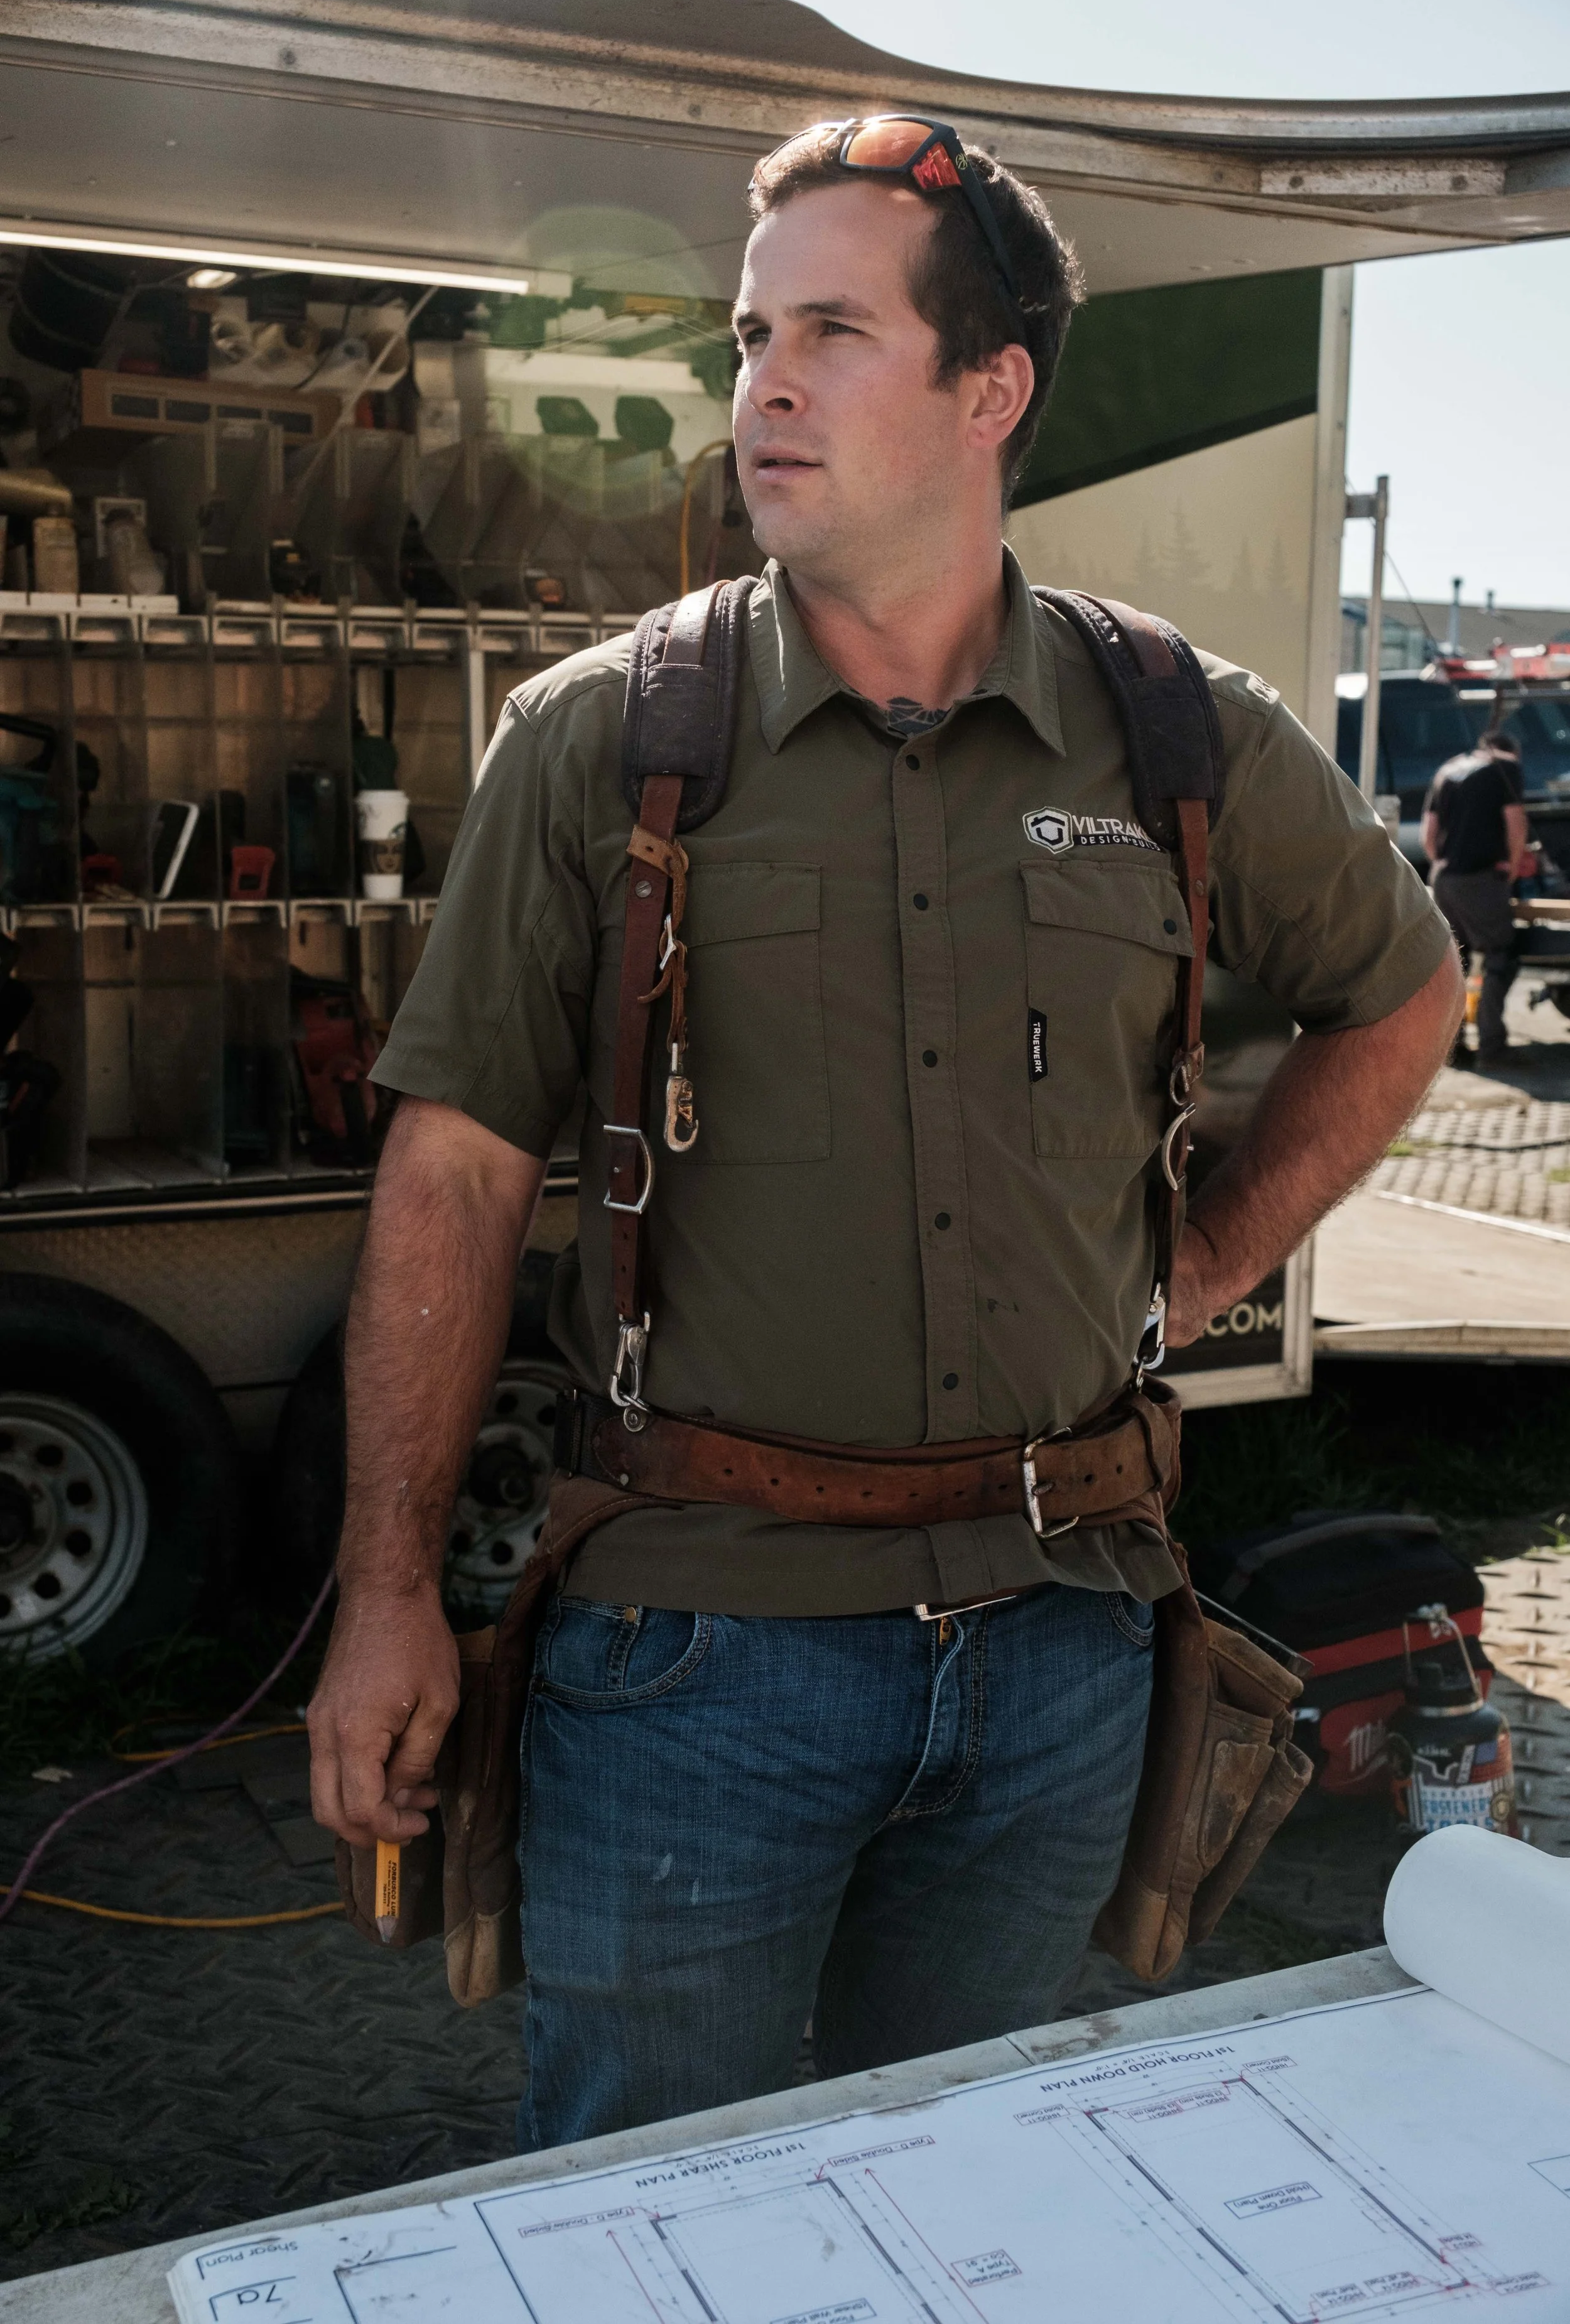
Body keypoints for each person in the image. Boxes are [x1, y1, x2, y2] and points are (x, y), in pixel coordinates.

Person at [308, 117, 1463, 2152]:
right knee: (648, 2210)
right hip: (694, 1655)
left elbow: (1406, 991)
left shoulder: (1178, 732)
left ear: (987, 389)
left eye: (831, 332)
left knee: (967, 2195)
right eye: (750, 335)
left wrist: (1204, 1266)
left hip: (1070, 1642)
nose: (761, 383)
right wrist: (388, 1588)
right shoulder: (605, 741)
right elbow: (457, 1170)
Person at [1422, 727, 1529, 1065]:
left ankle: (1453, 1050)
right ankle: (1492, 1047)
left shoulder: (1448, 770)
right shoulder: (1505, 768)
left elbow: (1429, 832)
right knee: (1502, 956)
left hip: (1444, 878)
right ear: (1510, 751)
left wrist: (1442, 865)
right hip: (1480, 877)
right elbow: (1515, 823)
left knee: (1456, 962)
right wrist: (1512, 868)